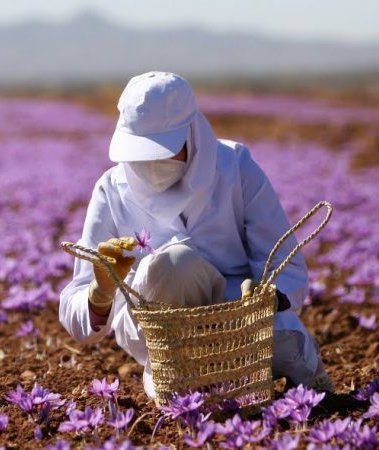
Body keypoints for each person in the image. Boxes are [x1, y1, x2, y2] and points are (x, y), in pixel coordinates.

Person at [58, 71, 334, 400]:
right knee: (174, 266)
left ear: (192, 133)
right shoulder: (110, 190)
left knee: (285, 344)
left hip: (240, 320)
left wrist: (267, 296)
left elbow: (285, 264)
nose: (151, 164)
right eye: (140, 154)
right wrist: (99, 293)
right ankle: (190, 376)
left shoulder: (235, 167)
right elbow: (76, 313)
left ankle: (301, 373)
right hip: (164, 336)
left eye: (163, 151)